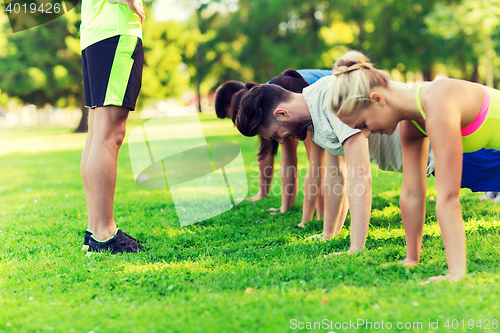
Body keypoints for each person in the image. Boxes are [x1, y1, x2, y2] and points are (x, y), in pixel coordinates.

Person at [328, 50, 500, 282]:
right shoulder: (411, 125)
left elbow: (448, 197)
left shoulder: (438, 102)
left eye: (364, 124)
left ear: (378, 99)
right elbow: (412, 193)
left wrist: (455, 274)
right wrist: (411, 258)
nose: (366, 134)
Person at [215, 70, 331, 219]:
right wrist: (283, 206)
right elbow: (285, 160)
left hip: (338, 90)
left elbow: (316, 165)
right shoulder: (270, 103)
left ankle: (323, 212)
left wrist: (319, 216)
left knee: (317, 159)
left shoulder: (281, 98)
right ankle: (295, 207)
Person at [80, 0, 148, 253]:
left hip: (96, 33)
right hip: (115, 31)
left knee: (98, 132)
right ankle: (104, 234)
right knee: (110, 133)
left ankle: (95, 229)